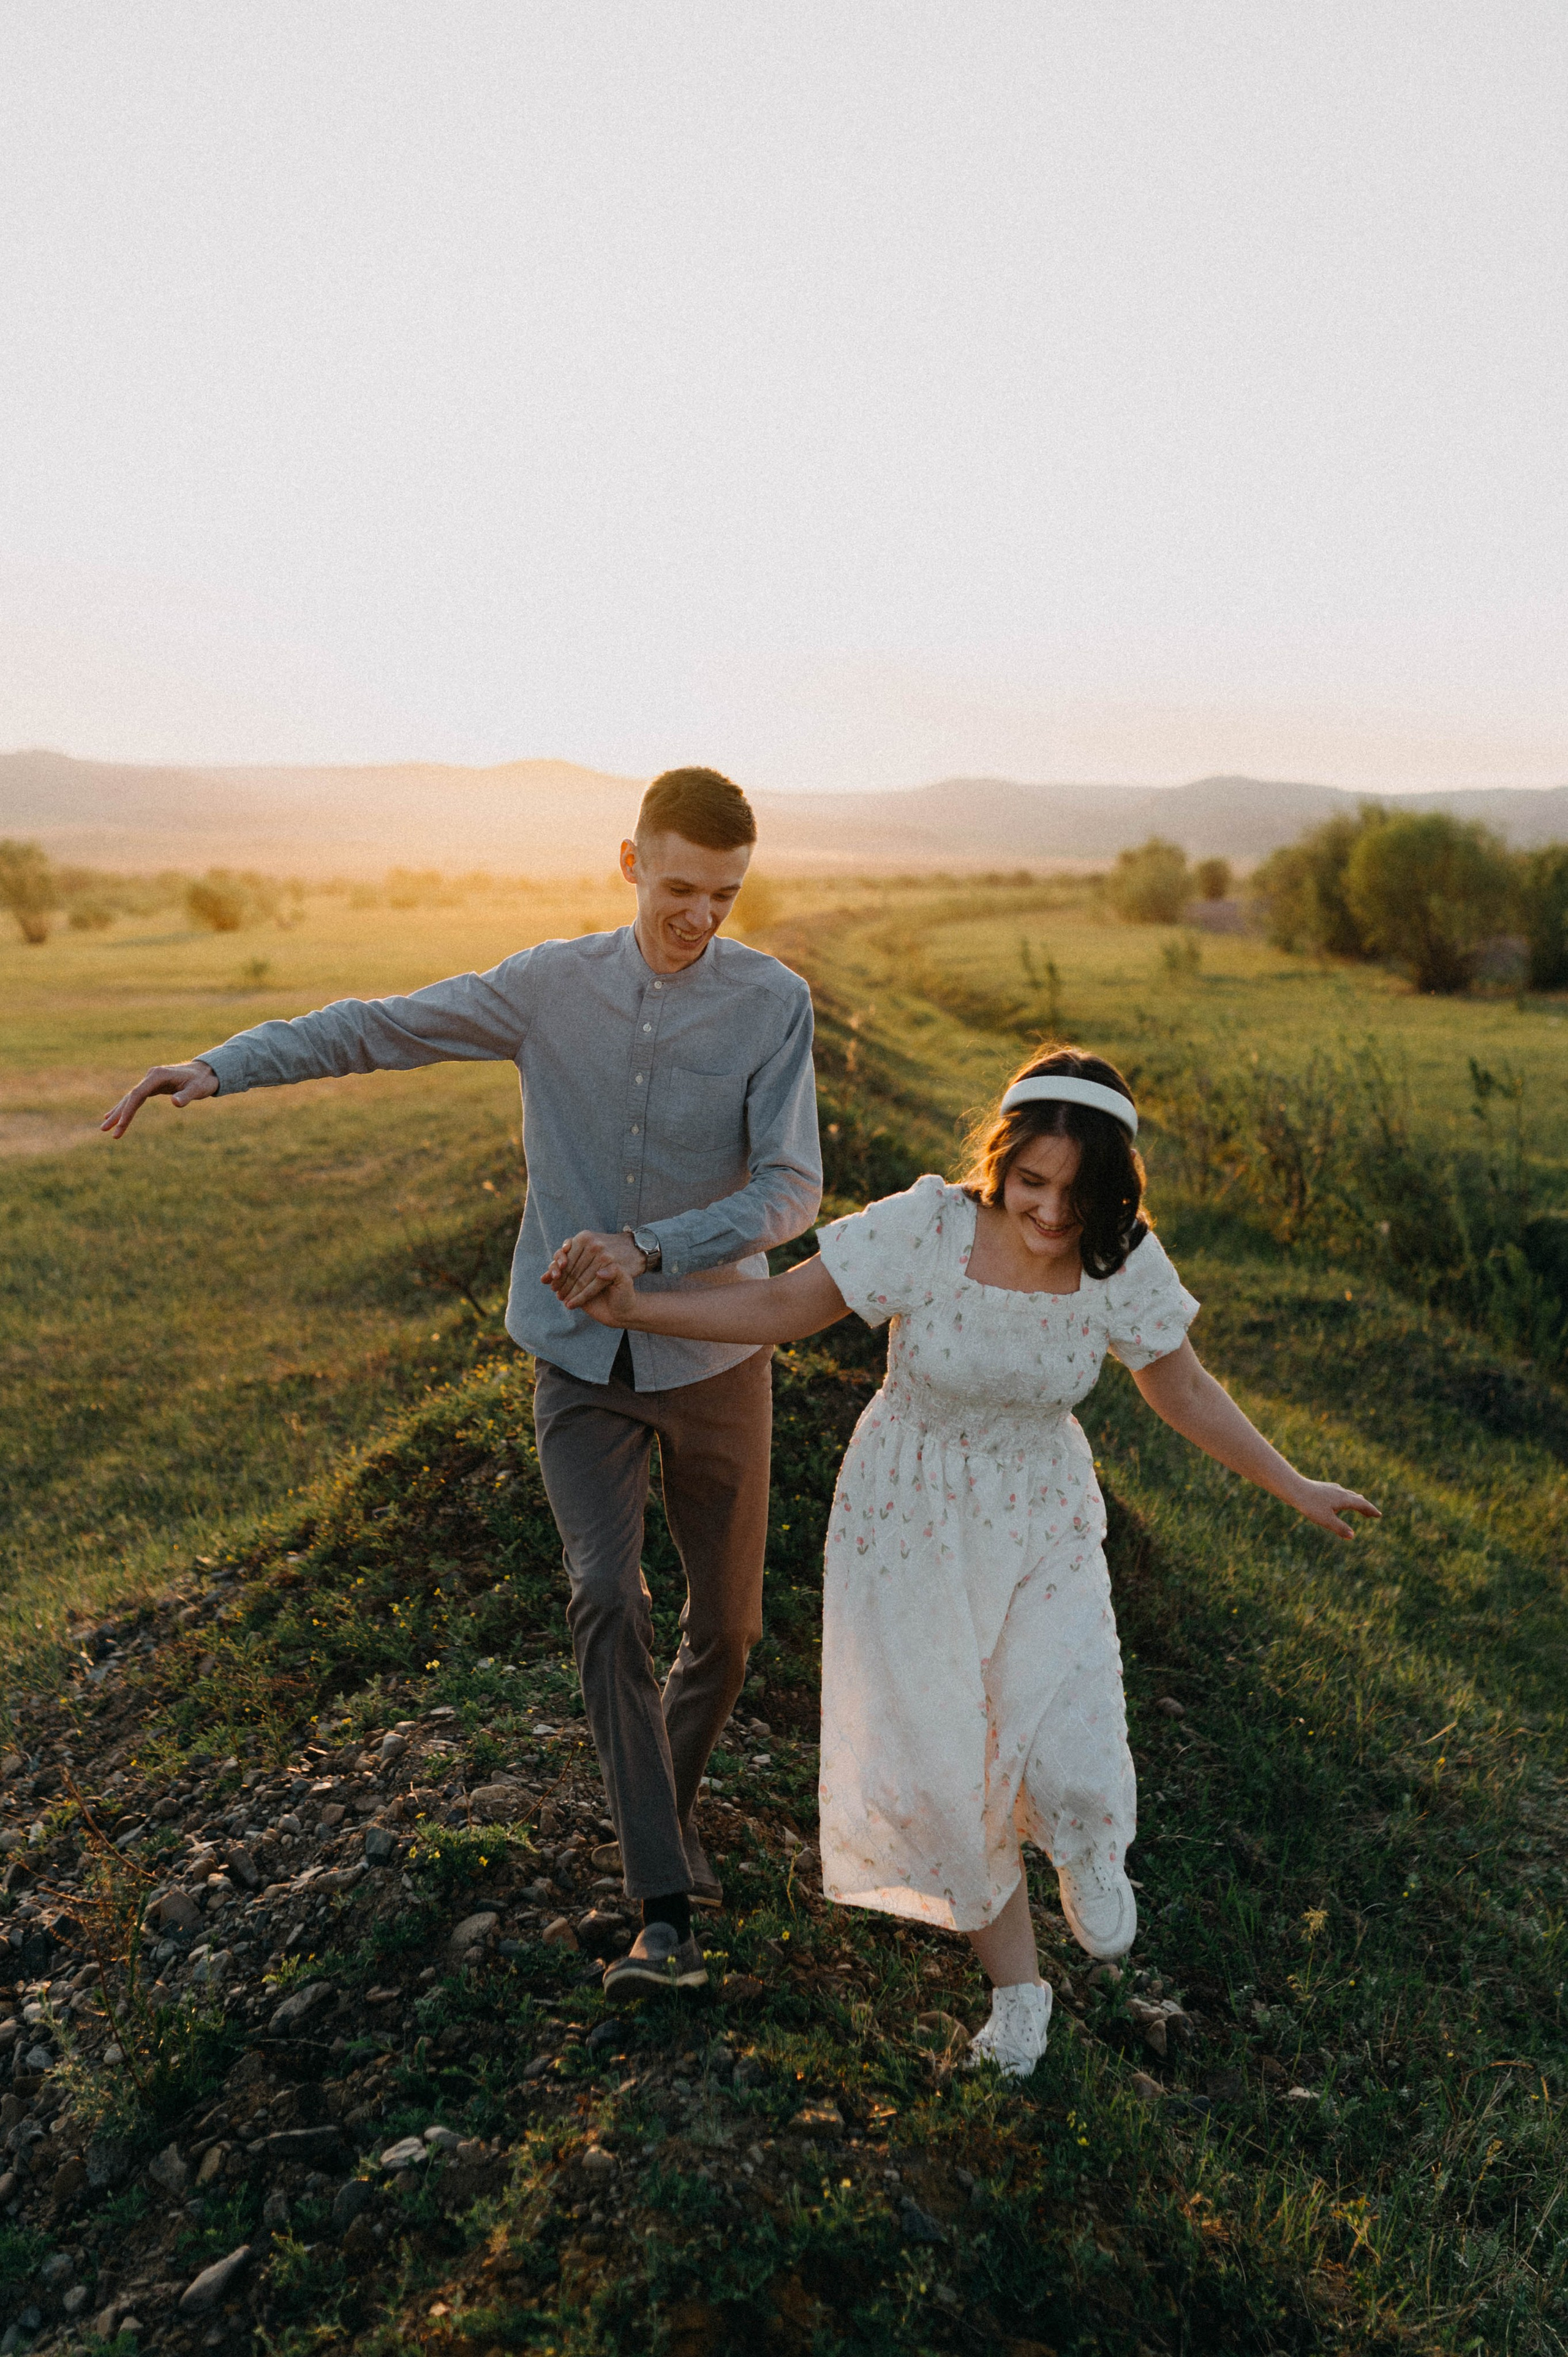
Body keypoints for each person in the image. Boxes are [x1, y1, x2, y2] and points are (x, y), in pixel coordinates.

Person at [101, 767, 823, 1995]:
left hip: (714, 1353)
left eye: (725, 896)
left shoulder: (772, 1003)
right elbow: (380, 1025)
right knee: (606, 1594)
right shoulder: (547, 987)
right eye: (679, 887)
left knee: (730, 1631)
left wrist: (652, 1245)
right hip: (574, 1360)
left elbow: (790, 1190)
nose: (699, 917)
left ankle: (661, 1825)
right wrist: (219, 1065)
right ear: (627, 864)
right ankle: (662, 1907)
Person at [546, 1045, 1378, 2076]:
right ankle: (1019, 1997)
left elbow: (1184, 1388)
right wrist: (638, 1308)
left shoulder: (1119, 1258)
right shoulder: (931, 1226)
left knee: (1068, 1708)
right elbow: (780, 1311)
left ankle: (1086, 1842)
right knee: (957, 1761)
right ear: (1002, 1161)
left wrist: (1292, 1483)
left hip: (1039, 1512)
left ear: (1112, 1194)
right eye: (1032, 1184)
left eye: (1077, 1196)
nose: (1048, 1216)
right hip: (907, 1516)